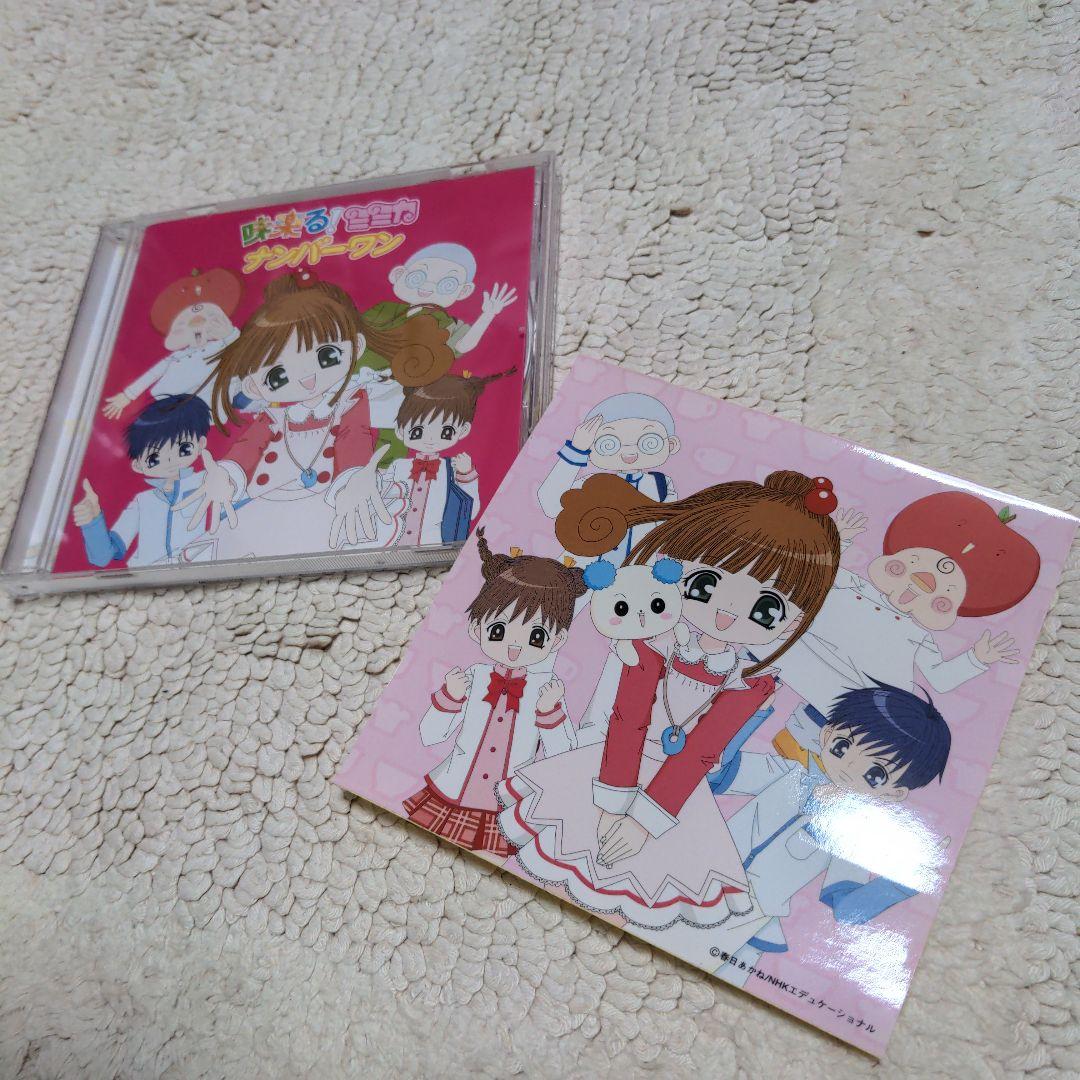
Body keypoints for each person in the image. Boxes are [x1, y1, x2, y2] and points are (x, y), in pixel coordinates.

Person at [499, 470, 842, 931]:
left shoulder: (750, 682)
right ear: (669, 566)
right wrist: (612, 799)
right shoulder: (653, 640)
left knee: (639, 887)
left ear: (793, 623)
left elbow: (703, 751)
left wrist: (643, 821)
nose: (725, 614)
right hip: (610, 769)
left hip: (674, 794)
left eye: (766, 609)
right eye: (705, 585)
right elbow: (627, 718)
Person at [174, 269, 454, 559]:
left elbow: (353, 440)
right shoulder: (272, 417)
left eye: (326, 356)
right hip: (270, 507)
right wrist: (226, 476)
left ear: (356, 347)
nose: (307, 378)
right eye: (278, 376)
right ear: (253, 386)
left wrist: (351, 480)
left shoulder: (349, 402)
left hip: (331, 500)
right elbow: (247, 449)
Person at [706, 680, 952, 986]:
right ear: (827, 734)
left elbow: (847, 909)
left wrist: (905, 881)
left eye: (875, 774)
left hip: (749, 926)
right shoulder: (787, 772)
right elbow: (717, 773)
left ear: (894, 793)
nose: (849, 766)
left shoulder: (853, 838)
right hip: (694, 880)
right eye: (842, 746)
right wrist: (748, 716)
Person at [775, 490, 1040, 739]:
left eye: (941, 597)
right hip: (790, 659)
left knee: (817, 736)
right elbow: (814, 574)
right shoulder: (853, 586)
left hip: (844, 702)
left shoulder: (917, 635)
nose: (922, 582)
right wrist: (838, 540)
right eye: (906, 568)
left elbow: (940, 678)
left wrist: (977, 659)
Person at [404, 529, 586, 858]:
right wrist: (450, 699)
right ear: (477, 628)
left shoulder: (545, 691)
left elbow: (562, 757)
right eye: (499, 630)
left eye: (536, 637)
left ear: (557, 640)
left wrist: (550, 713)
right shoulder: (473, 678)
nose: (515, 646)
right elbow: (430, 736)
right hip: (450, 794)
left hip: (510, 809)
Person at [372, 367, 516, 546]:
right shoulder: (398, 466)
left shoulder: (452, 469)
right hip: (390, 542)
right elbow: (378, 499)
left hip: (434, 546)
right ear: (401, 430)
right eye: (417, 431)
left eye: (446, 431)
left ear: (463, 430)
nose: (430, 439)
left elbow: (470, 511)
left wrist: (466, 475)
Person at [536, 393, 681, 566]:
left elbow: (670, 528)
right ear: (591, 446)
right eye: (609, 444)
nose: (629, 453)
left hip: (639, 570)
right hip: (586, 567)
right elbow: (551, 505)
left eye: (649, 442)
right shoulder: (592, 483)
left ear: (671, 445)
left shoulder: (660, 484)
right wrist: (576, 450)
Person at [73, 395, 215, 567]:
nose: (170, 460)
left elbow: (238, 495)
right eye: (154, 458)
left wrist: (226, 481)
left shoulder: (207, 481)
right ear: (138, 465)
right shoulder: (143, 501)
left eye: (183, 448)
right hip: (149, 574)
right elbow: (102, 558)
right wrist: (93, 521)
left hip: (201, 567)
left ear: (201, 444)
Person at [102, 268, 243, 418]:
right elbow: (154, 373)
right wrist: (128, 395)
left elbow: (241, 351)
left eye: (204, 318)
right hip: (172, 407)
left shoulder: (221, 345)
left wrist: (230, 335)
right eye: (186, 323)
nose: (198, 325)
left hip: (210, 407)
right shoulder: (178, 357)